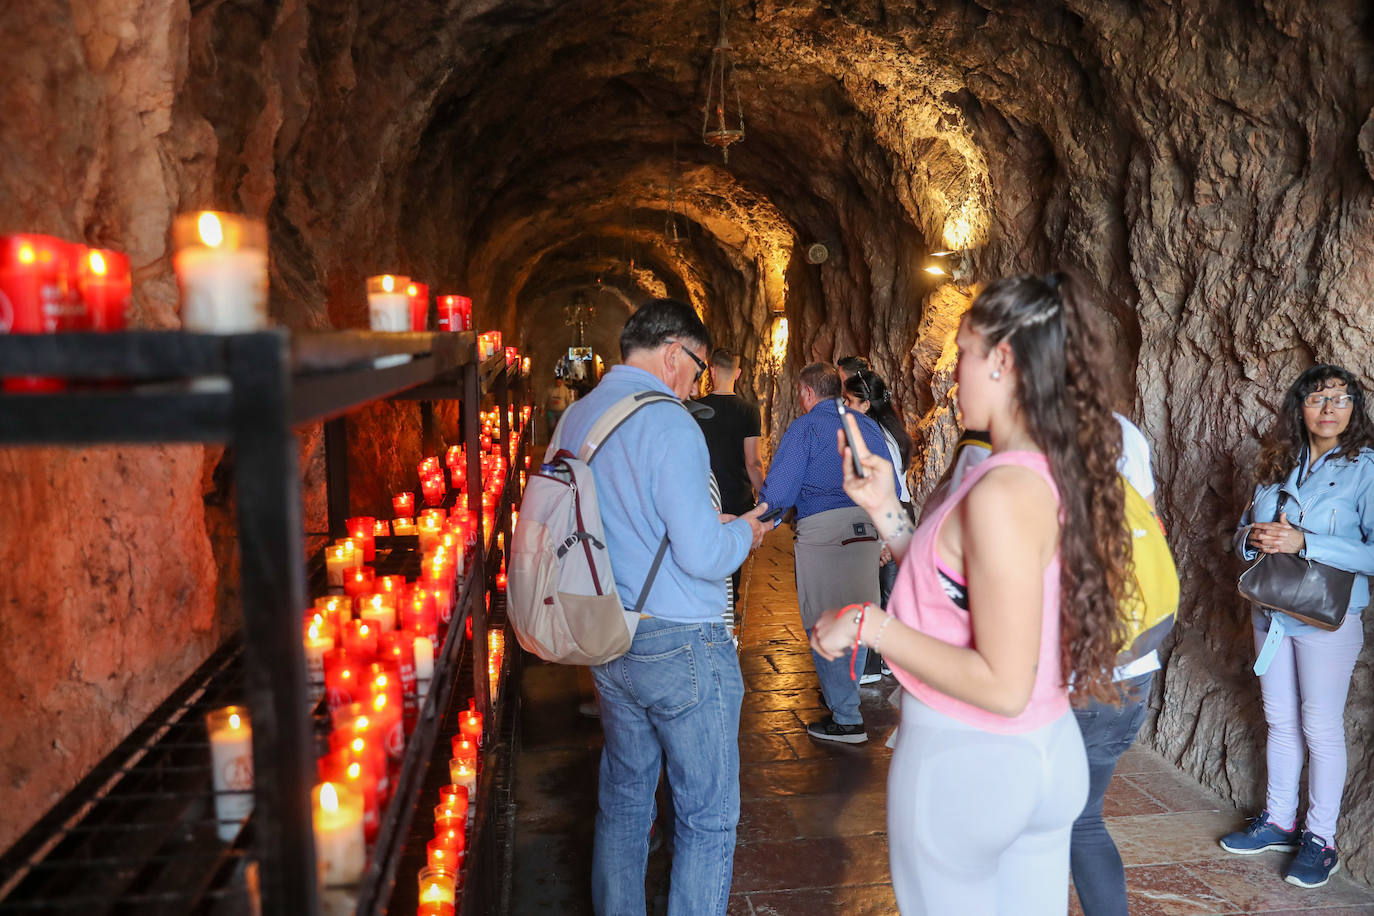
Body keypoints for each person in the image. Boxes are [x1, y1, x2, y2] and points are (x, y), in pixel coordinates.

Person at [812, 272, 1132, 914]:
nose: (952, 373)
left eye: (963, 353)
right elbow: (955, 590)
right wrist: (887, 513)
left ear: (1005, 360)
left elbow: (1002, 683)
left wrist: (866, 623)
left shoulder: (1002, 491)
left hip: (971, 761)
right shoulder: (1046, 469)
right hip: (1041, 754)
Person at [555, 298, 771, 915]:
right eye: (698, 368)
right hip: (681, 640)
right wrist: (744, 533)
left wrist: (705, 527)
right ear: (675, 352)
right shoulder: (671, 422)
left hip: (607, 631)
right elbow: (703, 555)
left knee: (624, 799)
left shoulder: (578, 417)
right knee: (706, 816)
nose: (697, 381)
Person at [1219, 364, 1374, 889]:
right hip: (1271, 609)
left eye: (1341, 399)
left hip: (1326, 618)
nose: (1329, 409)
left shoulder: (1366, 469)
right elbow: (1240, 531)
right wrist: (1252, 540)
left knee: (1320, 727)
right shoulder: (1276, 463)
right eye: (1317, 398)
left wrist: (1306, 543)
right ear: (1298, 408)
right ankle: (1280, 821)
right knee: (1279, 719)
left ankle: (1320, 840)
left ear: (1354, 409)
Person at [760, 361, 898, 743]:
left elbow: (781, 490)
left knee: (823, 620)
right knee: (854, 618)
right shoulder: (866, 425)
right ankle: (845, 698)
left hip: (825, 532)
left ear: (807, 392)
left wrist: (762, 520)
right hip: (866, 530)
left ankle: (847, 717)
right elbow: (892, 485)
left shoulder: (805, 427)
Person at [1069, 413, 1161, 916]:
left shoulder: (1029, 433)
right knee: (1082, 820)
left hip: (1067, 675)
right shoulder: (1122, 430)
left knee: (1024, 828)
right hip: (1131, 666)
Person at [842, 368, 913, 683]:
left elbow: (881, 490)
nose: (843, 407)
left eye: (848, 400)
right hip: (902, 512)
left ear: (865, 404)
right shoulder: (891, 433)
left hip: (888, 513)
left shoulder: (870, 436)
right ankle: (886, 662)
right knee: (889, 594)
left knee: (871, 592)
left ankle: (870, 667)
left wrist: (883, 539)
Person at [695, 347, 765, 608]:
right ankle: (729, 606)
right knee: (733, 555)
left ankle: (708, 605)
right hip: (737, 495)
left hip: (703, 495)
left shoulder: (694, 409)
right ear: (737, 373)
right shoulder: (749, 411)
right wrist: (766, 497)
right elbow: (753, 462)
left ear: (711, 370)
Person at [544, 375, 574, 441]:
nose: (558, 383)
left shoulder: (565, 390)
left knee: (561, 427)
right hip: (551, 411)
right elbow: (545, 399)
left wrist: (570, 409)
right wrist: (542, 407)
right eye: (557, 382)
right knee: (551, 426)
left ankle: (560, 441)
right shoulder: (550, 389)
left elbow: (568, 400)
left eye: (560, 382)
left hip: (561, 411)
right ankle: (551, 441)